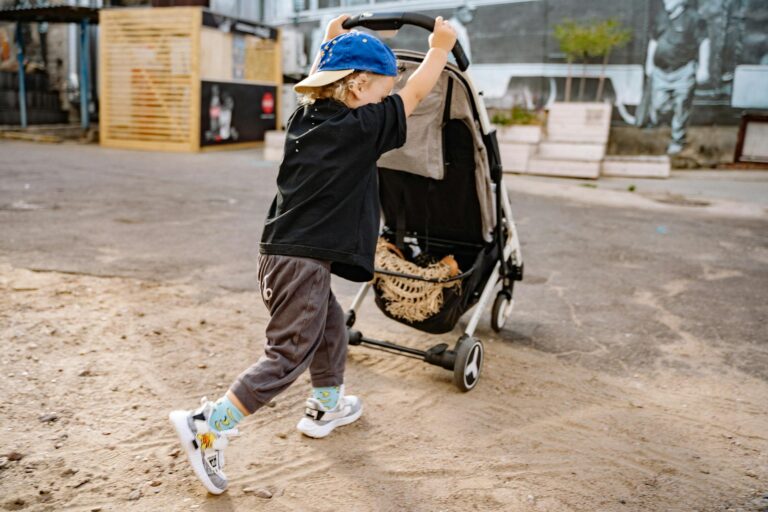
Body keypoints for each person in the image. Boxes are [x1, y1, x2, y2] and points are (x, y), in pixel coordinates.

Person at [169, 14, 457, 495]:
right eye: (381, 89)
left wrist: (330, 40)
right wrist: (440, 49)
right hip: (301, 262)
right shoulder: (363, 127)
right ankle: (209, 423)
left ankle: (327, 403)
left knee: (328, 328)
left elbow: (331, 78)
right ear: (360, 85)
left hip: (283, 254)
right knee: (286, 355)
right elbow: (415, 95)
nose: (387, 96)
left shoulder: (305, 117)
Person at [645, 0, 710, 155]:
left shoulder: (694, 19)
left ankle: (677, 141)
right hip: (660, 72)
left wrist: (703, 68)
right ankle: (666, 125)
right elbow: (653, 41)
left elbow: (704, 42)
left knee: (681, 107)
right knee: (659, 106)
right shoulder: (660, 17)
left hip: (684, 70)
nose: (666, 1)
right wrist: (649, 64)